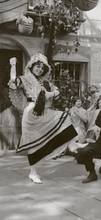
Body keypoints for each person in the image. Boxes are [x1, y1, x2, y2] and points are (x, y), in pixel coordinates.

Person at [8, 53, 78, 184]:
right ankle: (33, 172)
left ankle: (72, 143)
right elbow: (13, 81)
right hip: (32, 113)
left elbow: (55, 95)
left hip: (44, 111)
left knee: (64, 117)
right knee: (34, 145)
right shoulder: (24, 79)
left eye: (42, 68)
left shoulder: (45, 83)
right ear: (32, 66)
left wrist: (55, 93)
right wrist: (13, 65)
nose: (39, 69)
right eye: (37, 67)